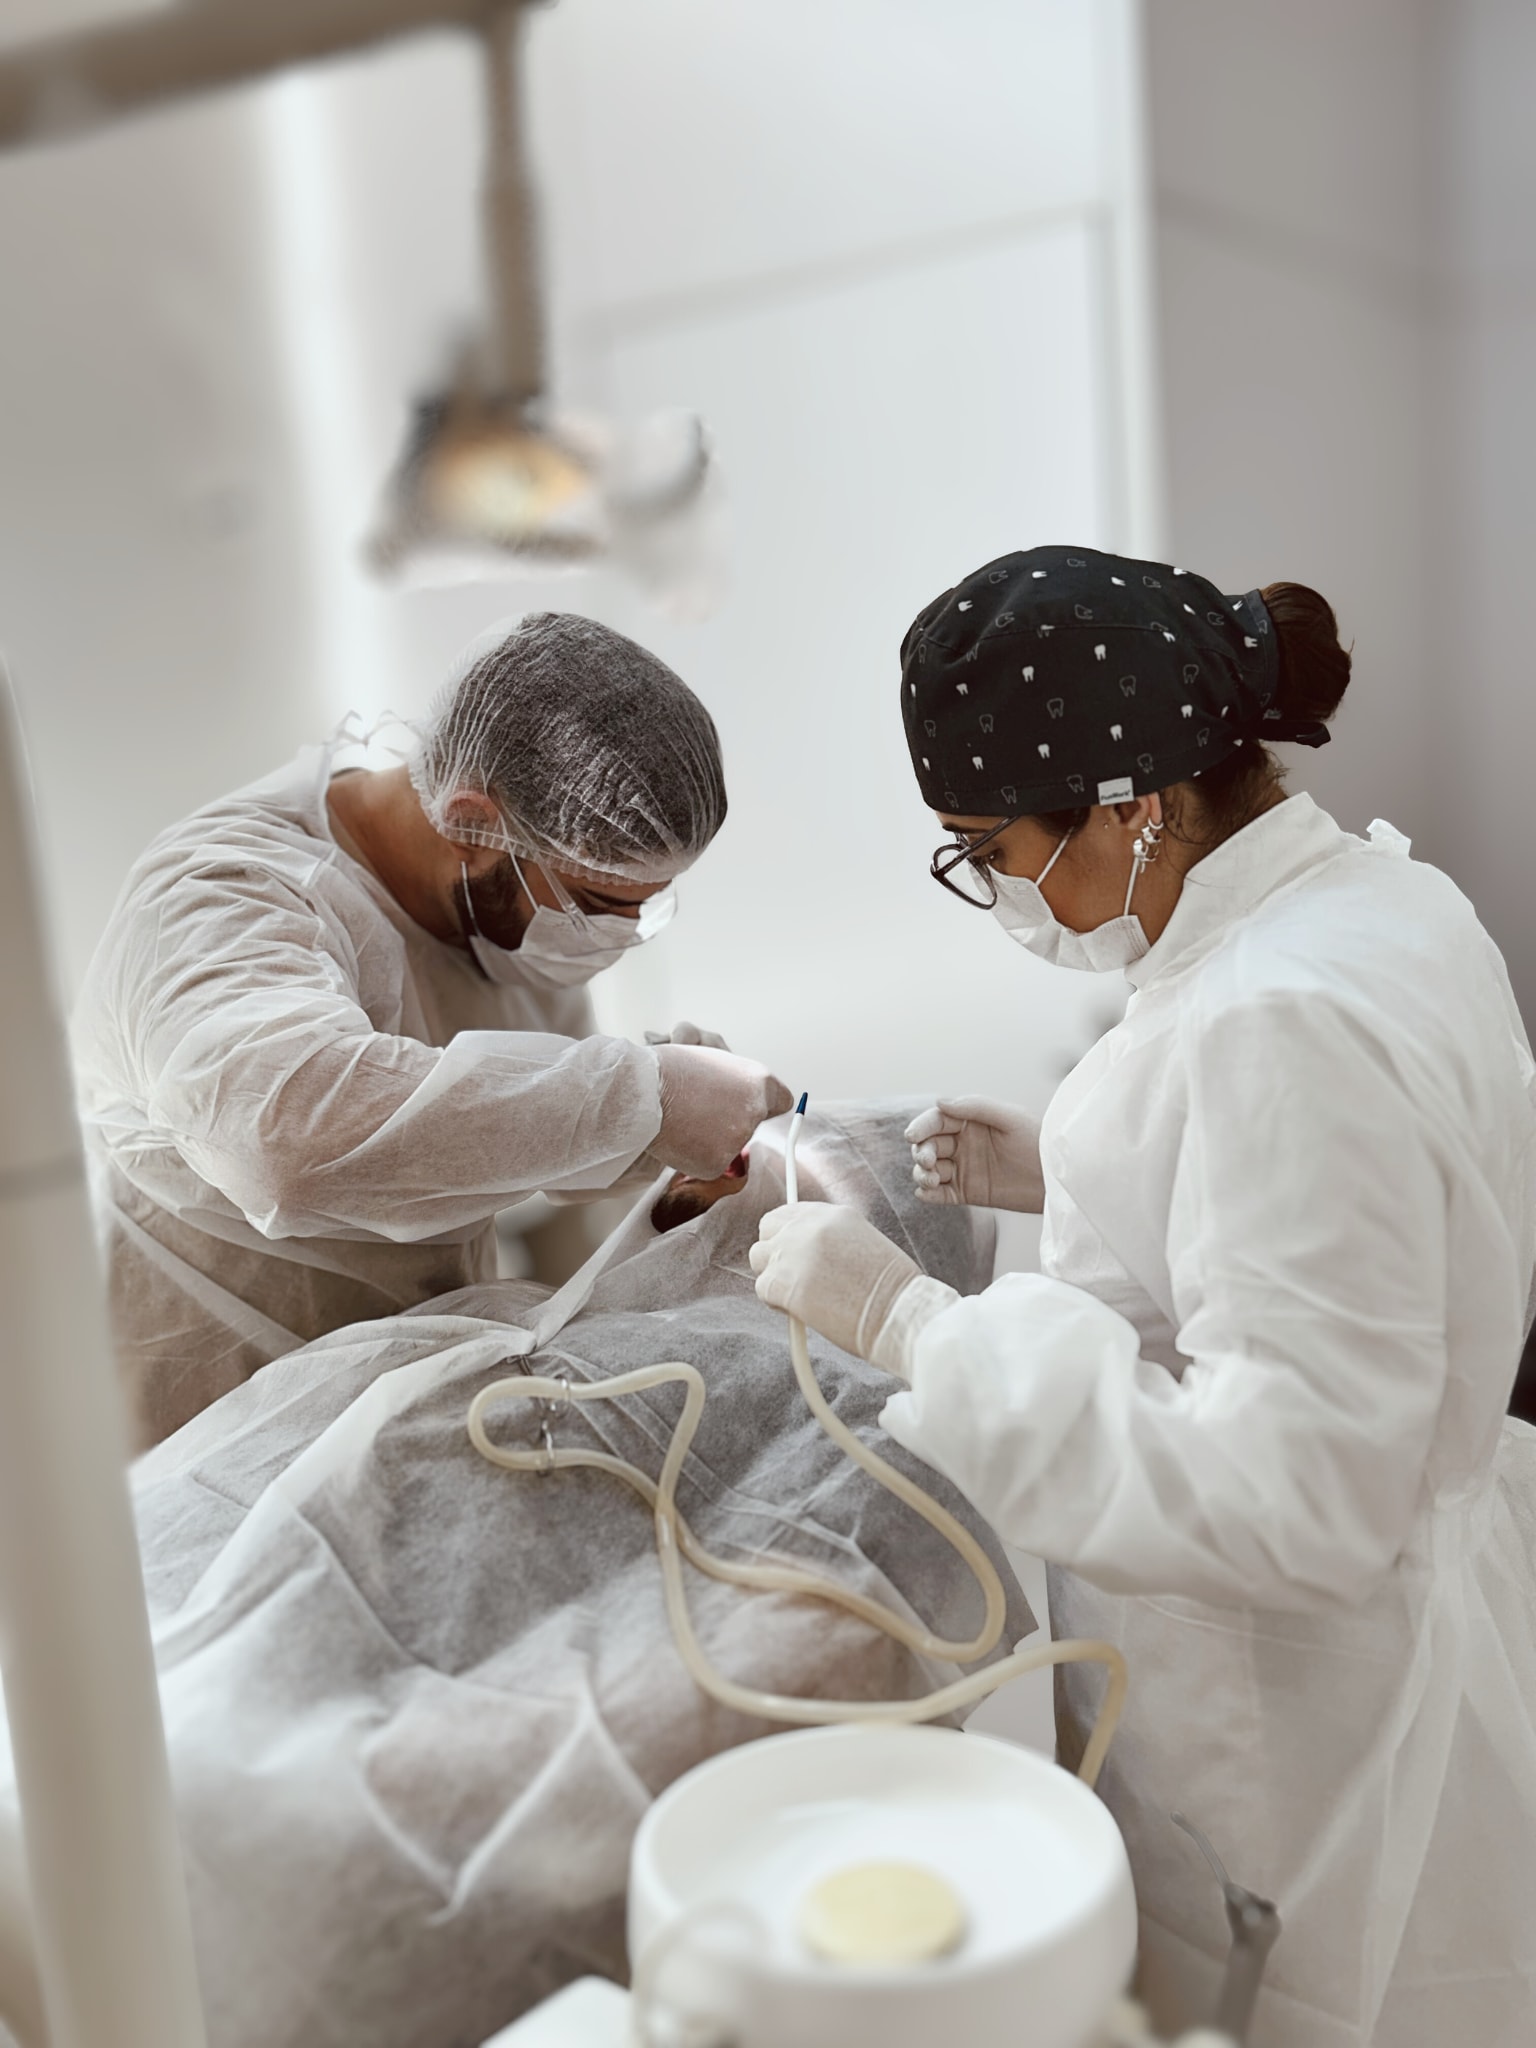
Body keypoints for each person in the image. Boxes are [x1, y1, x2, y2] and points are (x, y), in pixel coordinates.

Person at [750, 547, 1536, 2045]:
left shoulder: (1273, 1019)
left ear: (1134, 805)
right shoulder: (1381, 903)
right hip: (1422, 1622)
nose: (992, 891)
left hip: (1290, 1719)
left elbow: (1294, 1490)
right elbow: (1360, 1232)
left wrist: (915, 1324)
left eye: (990, 849)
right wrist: (1089, 1168)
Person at [74, 611, 790, 1447]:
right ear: (473, 820)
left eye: (644, 908)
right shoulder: (223, 893)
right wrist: (643, 1098)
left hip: (400, 1412)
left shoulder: (512, 937)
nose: (615, 937)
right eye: (596, 904)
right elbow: (284, 1142)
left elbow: (500, 1142)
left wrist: (666, 1185)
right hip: (207, 1428)